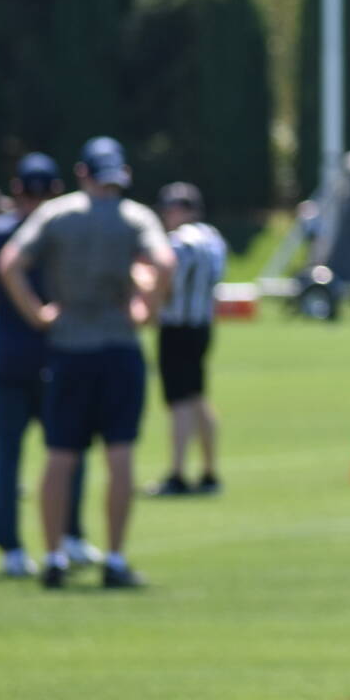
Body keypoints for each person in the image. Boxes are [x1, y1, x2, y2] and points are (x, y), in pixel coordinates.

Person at [0, 137, 175, 589]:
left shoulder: (57, 214)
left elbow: (9, 263)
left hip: (68, 345)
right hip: (119, 345)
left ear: (82, 173)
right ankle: (114, 557)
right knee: (120, 454)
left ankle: (54, 557)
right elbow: (165, 262)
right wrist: (146, 310)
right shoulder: (135, 216)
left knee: (60, 456)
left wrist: (38, 314)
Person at [0, 154, 93, 578]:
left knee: (10, 457)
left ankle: (12, 546)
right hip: (54, 355)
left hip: (9, 358)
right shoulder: (59, 233)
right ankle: (69, 535)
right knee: (66, 452)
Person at [149, 182, 227, 496]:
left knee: (179, 401)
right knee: (197, 396)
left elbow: (166, 282)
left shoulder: (178, 242)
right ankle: (209, 471)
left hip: (177, 326)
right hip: (202, 326)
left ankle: (178, 473)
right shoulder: (213, 238)